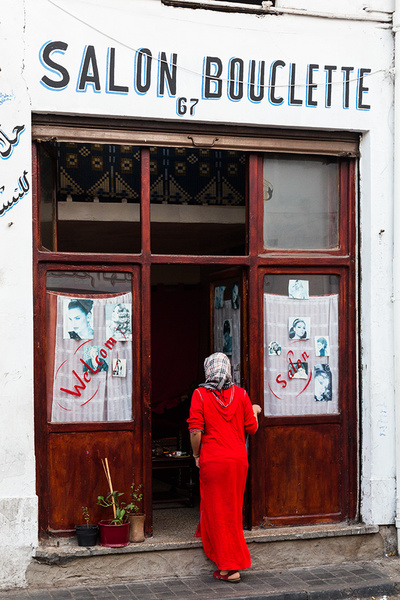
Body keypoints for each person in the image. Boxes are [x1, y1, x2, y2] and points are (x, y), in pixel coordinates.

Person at [187, 353, 261, 584]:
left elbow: (195, 431)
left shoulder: (200, 394)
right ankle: (229, 562)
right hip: (238, 462)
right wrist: (255, 410)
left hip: (213, 461)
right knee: (231, 511)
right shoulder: (241, 394)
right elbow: (252, 428)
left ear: (208, 370)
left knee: (216, 510)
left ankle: (229, 566)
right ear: (228, 370)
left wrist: (196, 454)